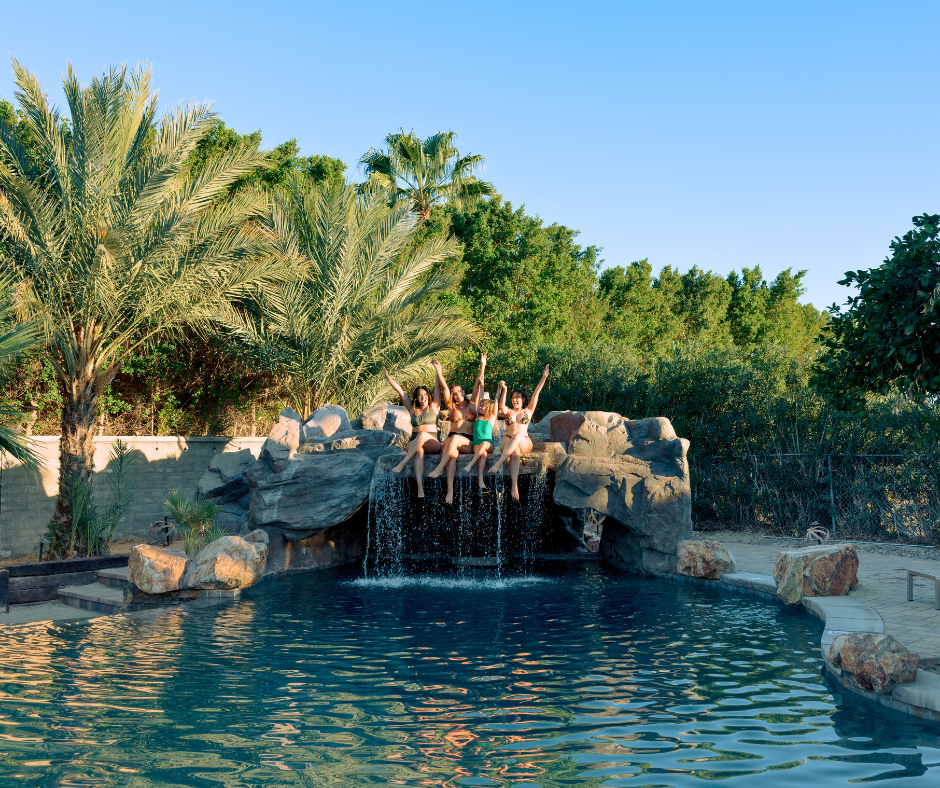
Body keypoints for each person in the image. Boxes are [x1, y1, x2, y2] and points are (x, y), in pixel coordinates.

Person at [427, 354, 487, 504]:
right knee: (452, 454)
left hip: (467, 442)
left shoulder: (473, 404)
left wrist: (483, 365)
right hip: (451, 439)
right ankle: (450, 491)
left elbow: (478, 384)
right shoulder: (451, 407)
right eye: (455, 394)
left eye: (460, 392)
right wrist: (438, 371)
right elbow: (445, 387)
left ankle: (439, 468)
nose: (458, 395)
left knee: (454, 440)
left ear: (463, 392)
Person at [384, 359, 447, 498]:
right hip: (414, 442)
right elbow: (401, 392)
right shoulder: (412, 409)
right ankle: (420, 488)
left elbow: (438, 387)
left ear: (428, 397)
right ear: (416, 398)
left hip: (432, 442)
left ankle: (403, 462)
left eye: (424, 396)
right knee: (418, 452)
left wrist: (438, 370)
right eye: (419, 396)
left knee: (423, 434)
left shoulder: (435, 407)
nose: (422, 398)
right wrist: (388, 377)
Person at [489, 365, 550, 500]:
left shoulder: (528, 411)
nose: (515, 400)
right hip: (507, 440)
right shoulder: (508, 412)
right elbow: (500, 405)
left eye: (518, 397)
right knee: (515, 452)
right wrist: (504, 390)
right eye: (513, 397)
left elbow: (536, 393)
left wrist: (544, 377)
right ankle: (514, 485)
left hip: (524, 441)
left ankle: (499, 463)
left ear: (523, 399)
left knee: (517, 436)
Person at [462, 381, 503, 490]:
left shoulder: (491, 419)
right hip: (476, 445)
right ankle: (480, 479)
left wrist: (499, 389)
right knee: (483, 454)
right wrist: (481, 381)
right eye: (480, 405)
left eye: (483, 406)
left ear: (488, 408)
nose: (480, 406)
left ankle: (471, 464)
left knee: (485, 444)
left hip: (489, 445)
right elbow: (480, 396)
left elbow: (497, 401)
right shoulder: (476, 417)